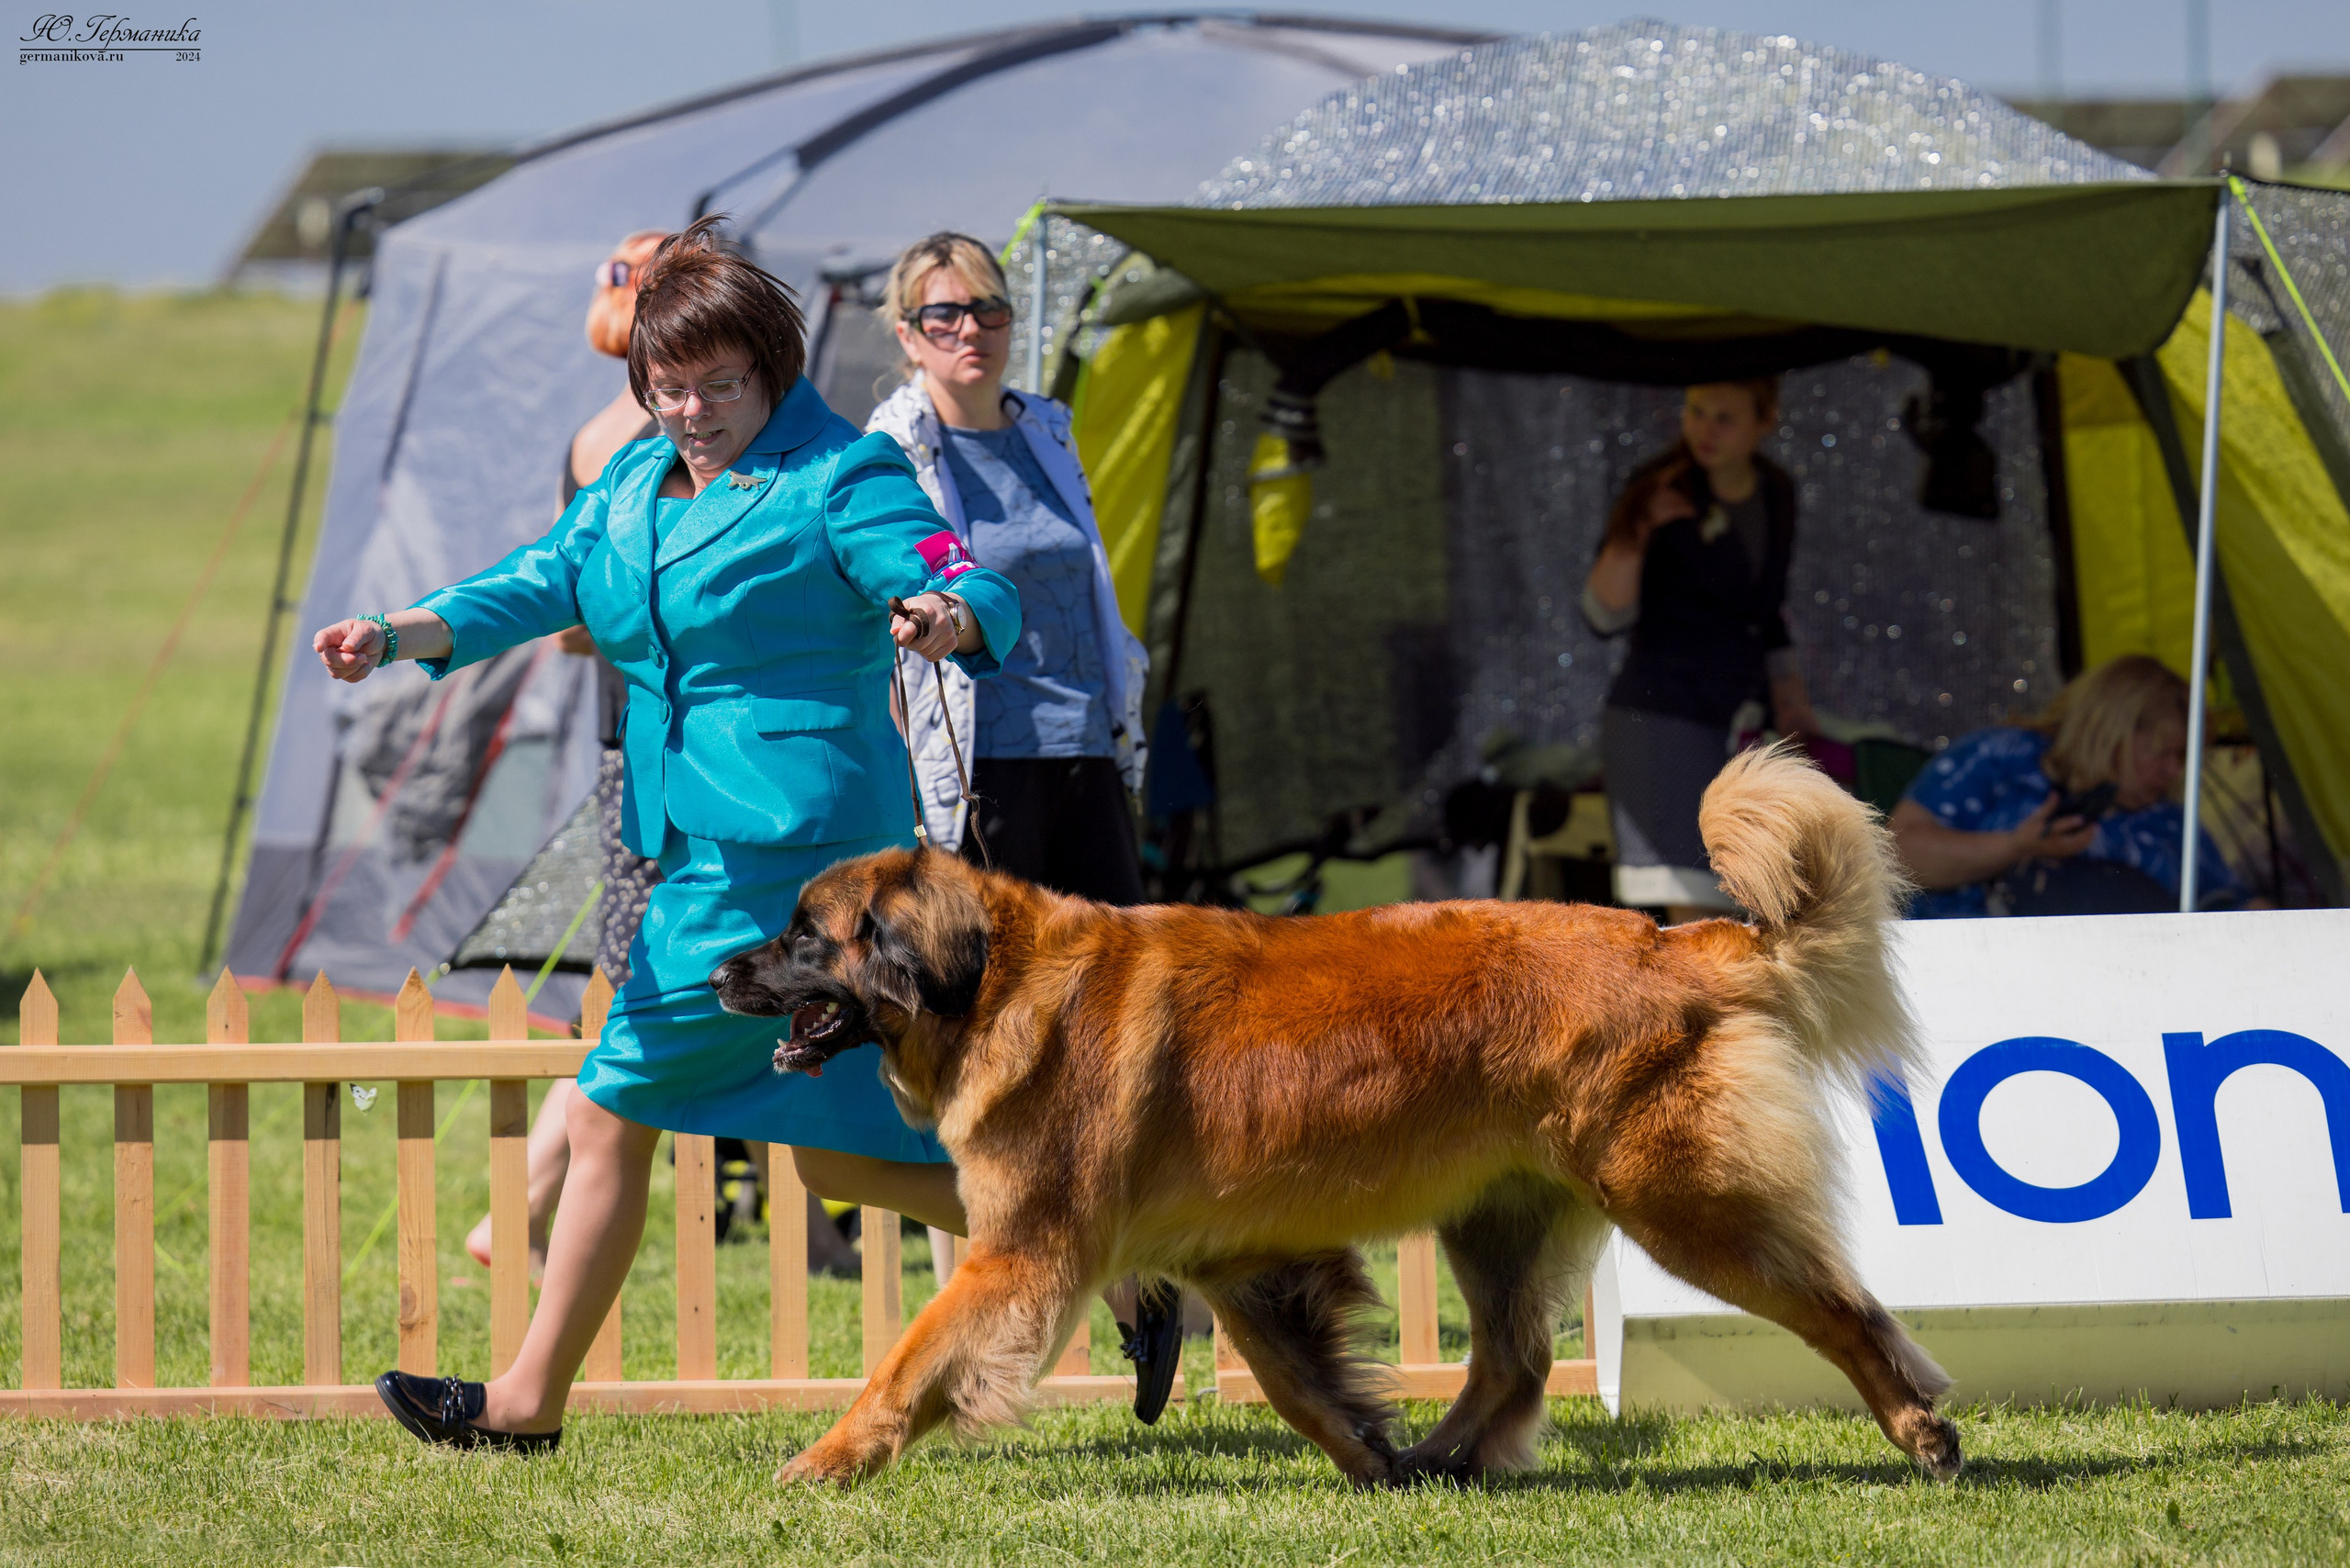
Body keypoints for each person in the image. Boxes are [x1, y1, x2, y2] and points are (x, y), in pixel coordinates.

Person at [314, 216, 1021, 1450]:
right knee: (845, 1166)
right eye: (666, 387)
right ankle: (1125, 1256)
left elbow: (958, 570)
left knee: (606, 1112)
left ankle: (526, 1406)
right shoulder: (634, 482)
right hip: (695, 846)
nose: (690, 410)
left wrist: (947, 613)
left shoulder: (837, 475)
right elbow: (535, 580)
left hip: (799, 870)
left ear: (775, 370)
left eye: (718, 386)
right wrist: (400, 632)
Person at [864, 232, 1181, 1413]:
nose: (968, 330)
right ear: (906, 334)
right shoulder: (890, 449)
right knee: (996, 1054)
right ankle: (1015, 1316)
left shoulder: (1047, 428)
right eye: (941, 315)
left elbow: (1089, 585)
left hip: (1084, 753)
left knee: (1119, 1026)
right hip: (973, 769)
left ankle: (1137, 1273)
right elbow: (889, 586)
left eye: (986, 309)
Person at [1583, 378, 1818, 922]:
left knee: (1755, 900)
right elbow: (1601, 615)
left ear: (1766, 420)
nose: (1704, 430)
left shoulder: (1775, 490)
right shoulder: (1660, 485)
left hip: (1740, 718)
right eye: (1695, 412)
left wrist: (1790, 699)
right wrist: (1639, 529)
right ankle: (1705, 1010)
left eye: (1724, 418)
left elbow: (1767, 609)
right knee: (1699, 909)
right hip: (1662, 720)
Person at [1890, 654, 2247, 916]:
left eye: (2183, 758)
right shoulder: (2003, 756)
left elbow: (2238, 904)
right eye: (2163, 752)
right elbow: (1899, 855)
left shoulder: (2169, 822)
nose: (2173, 770)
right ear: (2113, 732)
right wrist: (2015, 847)